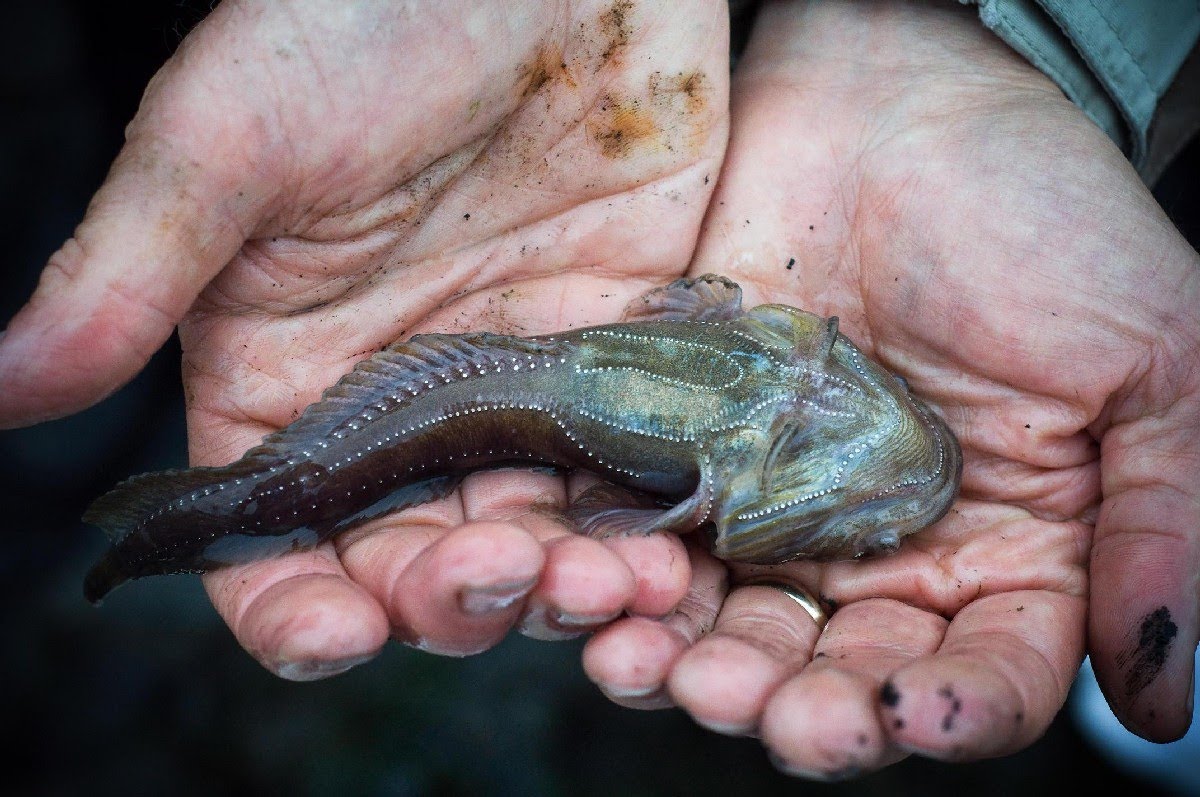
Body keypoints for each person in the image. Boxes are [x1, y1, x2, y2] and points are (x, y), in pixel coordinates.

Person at [1, 0, 1195, 778]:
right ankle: (145, 514)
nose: (883, 515)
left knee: (233, 435)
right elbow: (664, 469)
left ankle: (126, 520)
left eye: (873, 511)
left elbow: (725, 339)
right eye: (870, 505)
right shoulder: (736, 417)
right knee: (261, 437)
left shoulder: (762, 354)